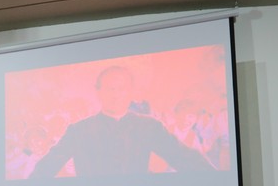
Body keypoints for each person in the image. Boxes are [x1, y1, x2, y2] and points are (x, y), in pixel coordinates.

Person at [30, 66, 215, 177]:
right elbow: (47, 167)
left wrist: (219, 180)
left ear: (131, 91)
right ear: (98, 92)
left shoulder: (149, 126)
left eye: (122, 89)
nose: (116, 95)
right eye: (110, 89)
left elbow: (183, 157)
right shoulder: (79, 130)